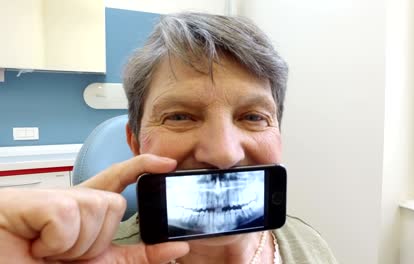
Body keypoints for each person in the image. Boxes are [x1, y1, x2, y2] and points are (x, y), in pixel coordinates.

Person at [0, 13, 338, 263]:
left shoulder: (312, 247)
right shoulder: (77, 259)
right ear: (135, 143)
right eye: (179, 116)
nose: (223, 153)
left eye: (253, 117)